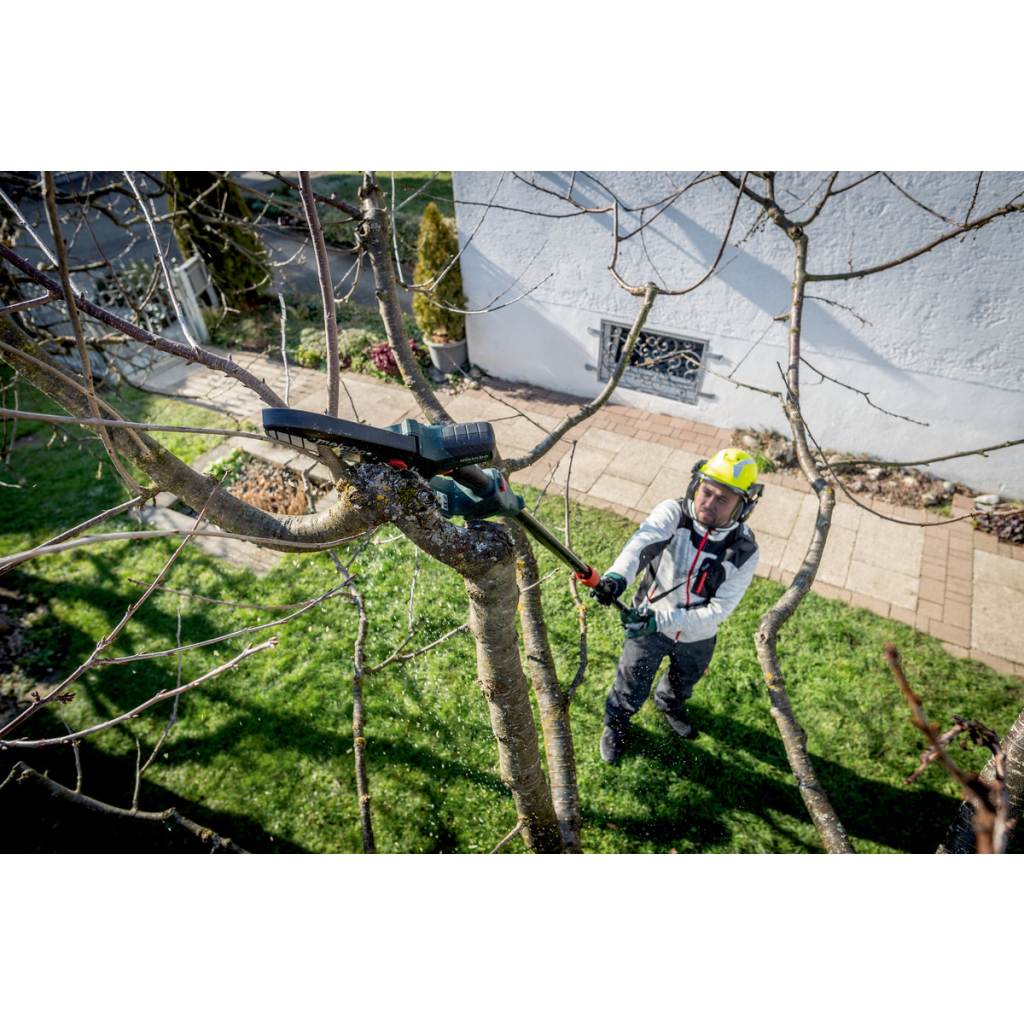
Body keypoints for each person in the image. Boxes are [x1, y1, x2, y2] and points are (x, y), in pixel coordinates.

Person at [592, 448, 764, 763]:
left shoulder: (745, 549)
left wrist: (661, 620)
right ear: (695, 485)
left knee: (684, 681)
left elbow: (719, 610)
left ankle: (669, 703)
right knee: (631, 680)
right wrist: (616, 577)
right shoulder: (674, 513)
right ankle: (616, 723)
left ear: (743, 507)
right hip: (647, 624)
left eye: (722, 499)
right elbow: (641, 543)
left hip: (697, 634)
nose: (708, 503)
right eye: (706, 491)